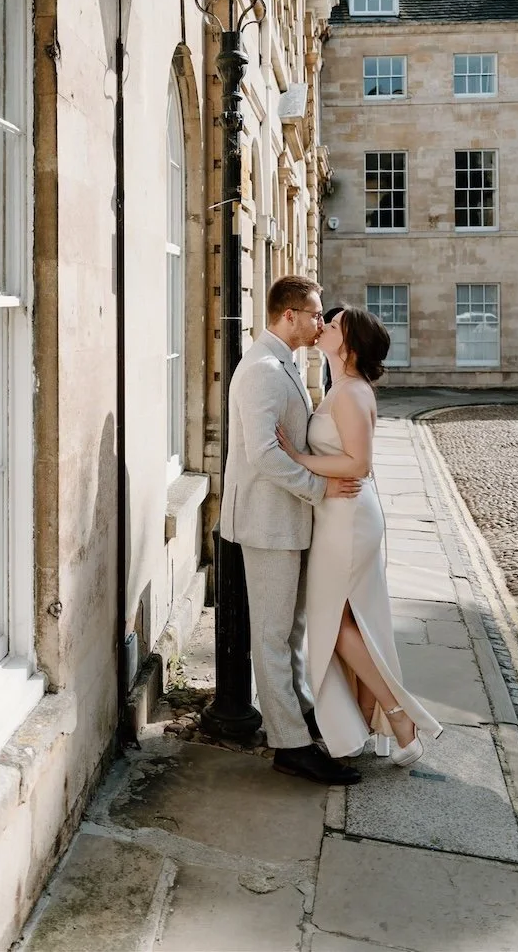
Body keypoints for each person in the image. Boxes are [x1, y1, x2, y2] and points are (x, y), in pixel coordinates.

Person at [277, 308, 442, 765]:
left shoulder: (350, 394)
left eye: (333, 325)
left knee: (336, 622)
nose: (323, 326)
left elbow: (358, 465)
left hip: (347, 518)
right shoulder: (341, 388)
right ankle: (371, 723)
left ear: (347, 345)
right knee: (352, 621)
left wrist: (297, 457)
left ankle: (398, 714)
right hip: (340, 515)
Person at [219, 276, 364, 786]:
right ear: (288, 315)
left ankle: (300, 714)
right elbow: (263, 453)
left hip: (287, 519)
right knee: (274, 635)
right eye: (314, 314)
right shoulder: (260, 369)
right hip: (267, 521)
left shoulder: (283, 361)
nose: (321, 323)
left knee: (291, 629)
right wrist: (319, 489)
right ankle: (291, 746)